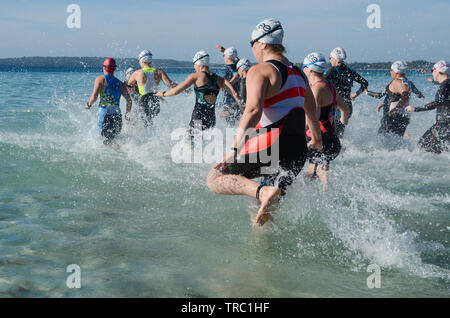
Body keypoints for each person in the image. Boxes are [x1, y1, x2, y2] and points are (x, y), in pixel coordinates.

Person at [206, 18, 322, 227]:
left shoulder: (260, 70)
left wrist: (234, 148)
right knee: (263, 215)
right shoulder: (299, 74)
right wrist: (317, 138)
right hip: (297, 152)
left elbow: (253, 110)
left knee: (215, 178)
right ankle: (263, 249)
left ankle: (262, 191)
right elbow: (312, 112)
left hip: (271, 145)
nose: (252, 49)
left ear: (263, 43)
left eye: (252, 44)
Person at [155, 51, 242, 145]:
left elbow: (175, 91)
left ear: (198, 63)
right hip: (211, 118)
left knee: (192, 144)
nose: (194, 67)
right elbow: (235, 94)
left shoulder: (196, 76)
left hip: (198, 117)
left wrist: (163, 94)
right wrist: (243, 109)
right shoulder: (220, 79)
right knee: (204, 144)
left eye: (194, 64)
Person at [302, 52, 350, 193]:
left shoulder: (316, 88)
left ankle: (324, 180)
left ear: (309, 69)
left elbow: (313, 117)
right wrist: (343, 122)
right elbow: (345, 109)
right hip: (332, 140)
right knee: (312, 172)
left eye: (304, 67)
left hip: (318, 140)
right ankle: (324, 185)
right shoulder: (329, 85)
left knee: (309, 175)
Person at [365, 61, 423, 137]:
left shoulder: (397, 82)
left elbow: (405, 96)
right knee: (397, 140)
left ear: (396, 71)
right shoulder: (408, 82)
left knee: (382, 137)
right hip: (404, 117)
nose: (390, 72)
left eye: (391, 70)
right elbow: (396, 96)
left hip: (392, 116)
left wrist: (395, 109)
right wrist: (383, 103)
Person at [85, 58, 132, 146]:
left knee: (101, 141)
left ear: (104, 67)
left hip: (104, 115)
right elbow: (129, 101)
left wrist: (88, 105)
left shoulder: (100, 79)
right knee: (113, 141)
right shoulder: (120, 83)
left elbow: (94, 97)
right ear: (114, 68)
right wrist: (127, 114)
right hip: (117, 117)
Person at [406, 60, 450, 153]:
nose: (432, 73)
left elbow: (437, 102)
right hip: (446, 124)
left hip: (442, 125)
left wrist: (416, 109)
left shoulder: (444, 86)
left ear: (437, 71)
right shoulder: (447, 83)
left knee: (421, 148)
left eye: (432, 71)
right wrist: (434, 82)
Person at [325, 47, 369, 137]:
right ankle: (346, 150)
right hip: (348, 106)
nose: (330, 60)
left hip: (338, 106)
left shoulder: (332, 71)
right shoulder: (349, 71)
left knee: (335, 134)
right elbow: (365, 83)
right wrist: (355, 94)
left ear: (335, 59)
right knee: (339, 134)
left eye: (330, 58)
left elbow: (321, 85)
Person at [128, 50, 177, 126]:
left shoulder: (137, 73)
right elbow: (171, 85)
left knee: (144, 123)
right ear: (150, 61)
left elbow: (129, 84)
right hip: (155, 100)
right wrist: (184, 89)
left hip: (143, 100)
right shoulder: (159, 72)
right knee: (152, 121)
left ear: (141, 61)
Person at [216, 45, 242, 126]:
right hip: (237, 97)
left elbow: (237, 75)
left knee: (228, 120)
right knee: (235, 118)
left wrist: (228, 84)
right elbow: (235, 58)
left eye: (224, 55)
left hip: (229, 99)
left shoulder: (231, 67)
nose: (223, 57)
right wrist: (224, 51)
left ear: (227, 57)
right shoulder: (238, 63)